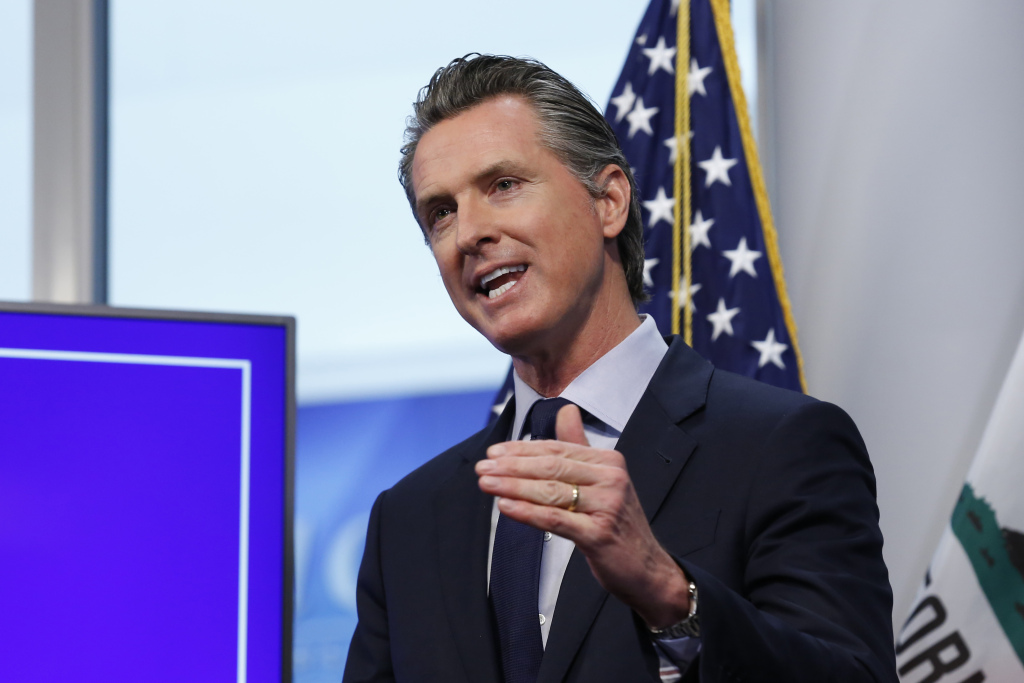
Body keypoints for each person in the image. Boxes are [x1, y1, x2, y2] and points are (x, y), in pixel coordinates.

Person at [343, 54, 897, 683]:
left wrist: (669, 592)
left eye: (503, 185)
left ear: (608, 201)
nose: (469, 232)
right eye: (441, 212)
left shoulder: (780, 446)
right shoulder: (409, 519)